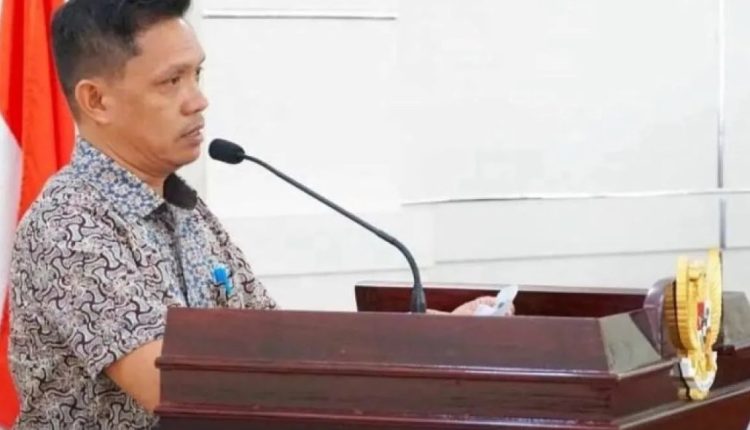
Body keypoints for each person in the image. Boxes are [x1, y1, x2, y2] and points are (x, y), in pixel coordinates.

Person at [7, 0, 503, 428]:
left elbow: (272, 338)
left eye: (197, 75)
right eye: (171, 81)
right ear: (97, 100)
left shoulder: (185, 211)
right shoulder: (68, 225)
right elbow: (177, 385)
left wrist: (419, 335)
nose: (198, 100)